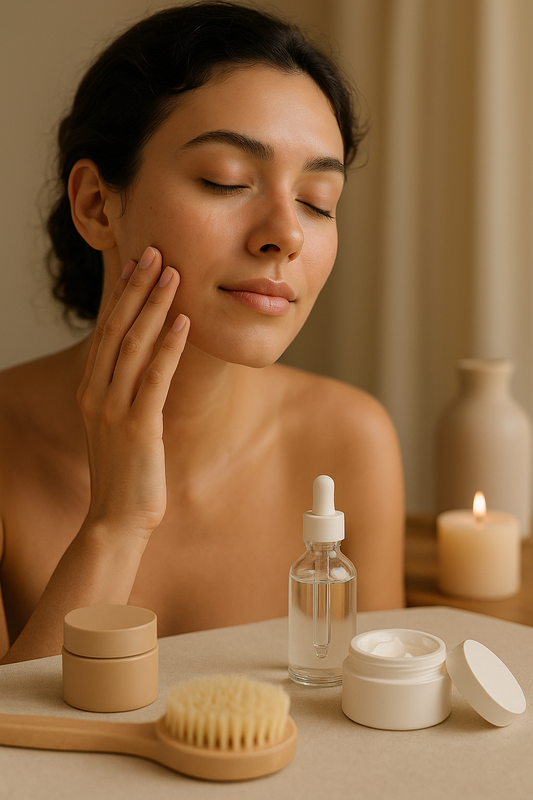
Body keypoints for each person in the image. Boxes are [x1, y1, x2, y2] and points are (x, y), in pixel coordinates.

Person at [0, 1, 404, 664]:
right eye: (227, 181)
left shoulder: (350, 442)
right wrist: (115, 524)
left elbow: (380, 716)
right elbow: (15, 734)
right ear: (96, 205)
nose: (287, 234)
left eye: (317, 201)